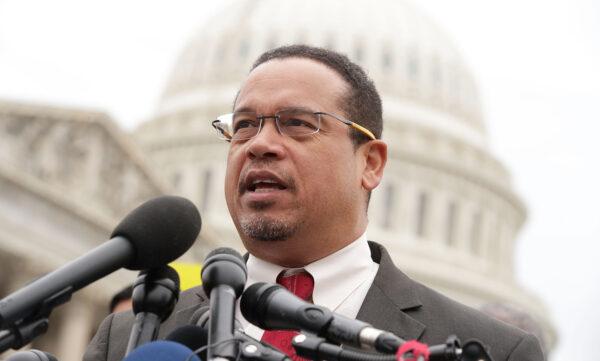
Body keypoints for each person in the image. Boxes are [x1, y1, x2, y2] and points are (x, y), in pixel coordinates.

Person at [83, 45, 545, 361]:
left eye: (298, 123)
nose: (260, 144)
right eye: (243, 125)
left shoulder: (490, 349)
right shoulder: (130, 338)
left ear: (371, 163)